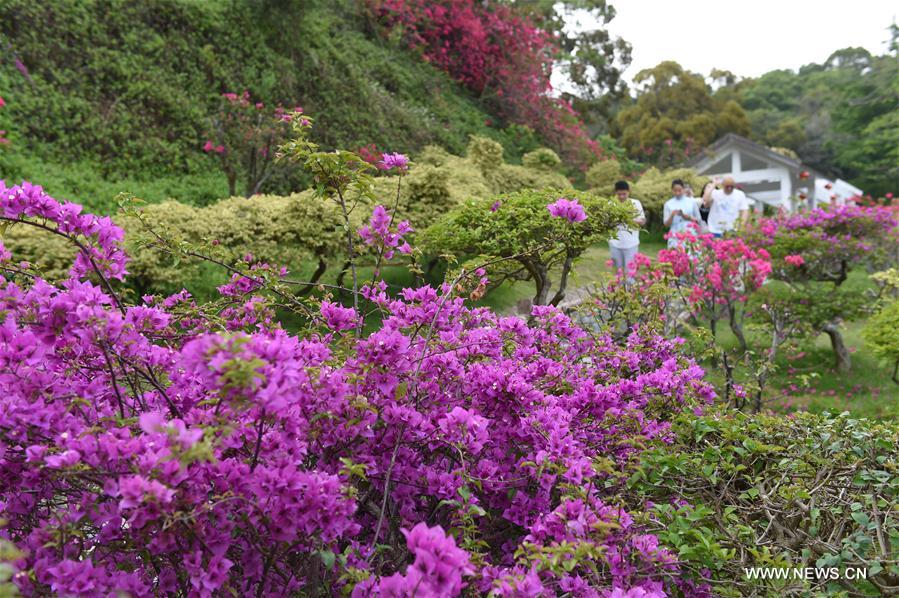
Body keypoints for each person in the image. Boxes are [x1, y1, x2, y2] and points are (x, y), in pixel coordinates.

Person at [608, 180, 646, 274]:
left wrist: (630, 220)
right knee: (618, 273)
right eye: (619, 194)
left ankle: (630, 288)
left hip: (631, 243)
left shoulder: (635, 203)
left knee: (630, 273)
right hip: (615, 243)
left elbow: (642, 221)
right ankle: (618, 288)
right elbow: (607, 223)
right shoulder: (611, 204)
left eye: (624, 194)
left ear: (629, 192)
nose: (621, 197)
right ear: (615, 193)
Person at [663, 179, 701, 248]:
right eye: (675, 191)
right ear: (672, 190)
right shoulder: (668, 204)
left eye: (679, 190)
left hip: (689, 233)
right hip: (675, 233)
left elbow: (698, 220)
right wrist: (672, 215)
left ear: (683, 189)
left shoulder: (691, 202)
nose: (677, 193)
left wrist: (687, 217)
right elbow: (666, 224)